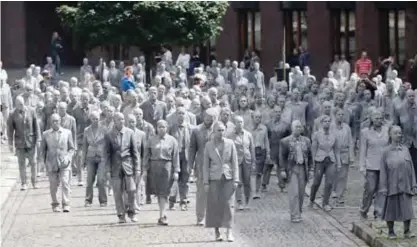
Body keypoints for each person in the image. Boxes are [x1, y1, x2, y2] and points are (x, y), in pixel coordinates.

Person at [203, 121, 238, 242]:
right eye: (219, 130)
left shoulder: (230, 143)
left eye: (223, 130)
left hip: (228, 177)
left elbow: (234, 163)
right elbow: (205, 165)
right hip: (214, 178)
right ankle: (217, 231)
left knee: (228, 205)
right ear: (214, 131)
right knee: (215, 204)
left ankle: (229, 231)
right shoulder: (208, 145)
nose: (221, 133)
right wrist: (206, 182)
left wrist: (236, 179)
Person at [380, 125, 417, 239]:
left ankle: (407, 231)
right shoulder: (386, 152)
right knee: (390, 209)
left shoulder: (405, 149)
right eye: (396, 133)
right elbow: (383, 171)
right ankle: (391, 231)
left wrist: (414, 184)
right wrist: (384, 187)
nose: (398, 135)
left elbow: (411, 168)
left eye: (400, 133)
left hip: (405, 184)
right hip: (392, 184)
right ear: (390, 135)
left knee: (407, 209)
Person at [103, 112, 139, 223]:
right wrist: (107, 169)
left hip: (128, 165)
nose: (122, 121)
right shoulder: (109, 135)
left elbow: (135, 152)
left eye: (123, 119)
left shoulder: (130, 133)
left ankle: (131, 211)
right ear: (114, 121)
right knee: (117, 191)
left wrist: (137, 168)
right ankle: (121, 214)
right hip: (115, 166)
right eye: (119, 119)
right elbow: (107, 154)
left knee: (132, 190)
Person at [143, 120, 179, 225]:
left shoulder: (172, 140)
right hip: (154, 168)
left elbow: (175, 157)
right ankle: (162, 214)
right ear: (156, 128)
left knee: (165, 192)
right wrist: (145, 169)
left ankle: (163, 215)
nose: (161, 129)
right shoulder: (151, 140)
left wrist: (176, 170)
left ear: (167, 128)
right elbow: (146, 156)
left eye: (163, 127)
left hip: (167, 167)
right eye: (159, 127)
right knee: (159, 193)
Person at [40, 113, 75, 212]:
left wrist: (68, 157)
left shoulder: (67, 133)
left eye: (57, 121)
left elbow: (72, 148)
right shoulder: (45, 134)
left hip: (64, 162)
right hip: (51, 162)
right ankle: (55, 204)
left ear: (60, 121)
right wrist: (43, 163)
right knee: (53, 184)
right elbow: (43, 150)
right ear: (50, 122)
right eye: (53, 121)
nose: (55, 123)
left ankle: (66, 204)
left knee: (65, 182)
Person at [359, 109, 390, 219]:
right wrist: (362, 166)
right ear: (371, 119)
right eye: (376, 118)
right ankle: (364, 209)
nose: (378, 120)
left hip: (384, 165)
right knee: (370, 189)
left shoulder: (387, 131)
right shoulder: (365, 132)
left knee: (382, 190)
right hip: (371, 164)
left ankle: (378, 212)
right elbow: (363, 149)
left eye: (380, 118)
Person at [279, 120, 312, 222]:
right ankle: (294, 214)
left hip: (303, 168)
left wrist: (311, 169)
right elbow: (282, 157)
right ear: (292, 128)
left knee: (301, 193)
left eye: (300, 127)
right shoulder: (285, 141)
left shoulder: (306, 141)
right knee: (294, 193)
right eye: (296, 127)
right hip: (291, 169)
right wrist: (282, 169)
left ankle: (299, 211)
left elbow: (310, 156)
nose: (298, 129)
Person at [189, 108, 217, 225]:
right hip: (201, 164)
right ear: (204, 117)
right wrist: (190, 165)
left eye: (211, 119)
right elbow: (192, 149)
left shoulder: (217, 130)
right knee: (201, 192)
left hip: (215, 164)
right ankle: (200, 217)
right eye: (207, 118)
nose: (209, 121)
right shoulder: (196, 130)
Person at [7, 96, 40, 190]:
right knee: (21, 163)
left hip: (31, 141)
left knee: (33, 163)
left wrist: (38, 139)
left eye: (22, 104)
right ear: (15, 105)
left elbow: (36, 126)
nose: (21, 106)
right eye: (19, 105)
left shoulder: (31, 111)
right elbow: (10, 130)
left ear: (24, 102)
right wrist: (10, 144)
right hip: (20, 143)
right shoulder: (12, 114)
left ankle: (34, 182)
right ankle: (24, 183)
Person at [168, 107, 194, 211]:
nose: (181, 115)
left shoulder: (191, 128)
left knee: (185, 179)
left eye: (183, 113)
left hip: (186, 155)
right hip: (175, 156)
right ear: (175, 115)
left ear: (186, 115)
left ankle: (183, 201)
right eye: (179, 113)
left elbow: (193, 145)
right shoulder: (171, 128)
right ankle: (172, 200)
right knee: (174, 179)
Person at [229, 115, 255, 210]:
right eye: (237, 122)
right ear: (234, 124)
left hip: (247, 160)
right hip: (236, 161)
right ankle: (239, 202)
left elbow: (252, 149)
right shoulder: (231, 135)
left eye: (241, 122)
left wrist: (253, 162)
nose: (240, 124)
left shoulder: (248, 135)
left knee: (247, 182)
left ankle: (247, 201)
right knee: (238, 182)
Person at [82, 111, 107, 207]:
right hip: (91, 156)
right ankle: (88, 200)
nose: (95, 121)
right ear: (90, 119)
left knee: (101, 179)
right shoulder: (87, 130)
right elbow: (84, 145)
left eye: (97, 119)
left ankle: (103, 200)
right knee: (89, 180)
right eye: (93, 119)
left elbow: (107, 144)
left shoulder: (104, 129)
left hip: (101, 156)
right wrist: (83, 159)